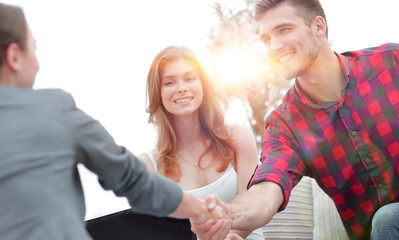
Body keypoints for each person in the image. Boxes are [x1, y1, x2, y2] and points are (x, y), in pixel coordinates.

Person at [0, 3, 230, 240]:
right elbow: (132, 179)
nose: (37, 64)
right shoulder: (53, 109)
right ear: (14, 57)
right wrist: (200, 210)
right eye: (34, 49)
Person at [191, 0, 399, 240]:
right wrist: (228, 214)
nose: (274, 47)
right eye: (266, 40)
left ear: (318, 27)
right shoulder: (285, 125)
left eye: (284, 30)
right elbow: (267, 190)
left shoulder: (391, 63)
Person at [139, 45, 264, 239]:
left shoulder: (238, 137)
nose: (182, 88)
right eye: (169, 82)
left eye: (190, 78)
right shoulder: (148, 166)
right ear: (158, 93)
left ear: (203, 85)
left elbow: (253, 208)